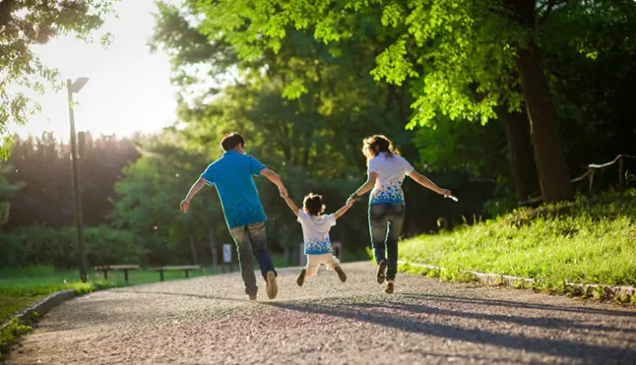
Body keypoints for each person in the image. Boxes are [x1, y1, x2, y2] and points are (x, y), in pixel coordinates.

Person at [180, 132, 288, 300]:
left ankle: (252, 291)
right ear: (239, 145)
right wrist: (281, 186)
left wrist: (187, 199)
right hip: (254, 213)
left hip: (234, 218)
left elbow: (200, 181)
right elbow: (268, 173)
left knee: (243, 253)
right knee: (260, 248)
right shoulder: (247, 160)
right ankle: (269, 272)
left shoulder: (215, 166)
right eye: (243, 146)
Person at [347, 134, 451, 294]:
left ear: (375, 147)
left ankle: (381, 261)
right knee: (393, 243)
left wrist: (354, 196)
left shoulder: (374, 161)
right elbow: (420, 179)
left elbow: (370, 183)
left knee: (378, 241)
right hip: (397, 203)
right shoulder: (400, 161)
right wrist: (440, 190)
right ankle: (390, 281)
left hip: (378, 203)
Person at [281, 192, 352, 286]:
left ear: (306, 208)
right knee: (332, 262)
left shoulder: (305, 218)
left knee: (310, 269)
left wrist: (286, 197)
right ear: (320, 208)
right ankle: (337, 268)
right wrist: (348, 205)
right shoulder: (326, 219)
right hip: (325, 250)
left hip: (312, 252)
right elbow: (338, 214)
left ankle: (304, 271)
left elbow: (294, 209)